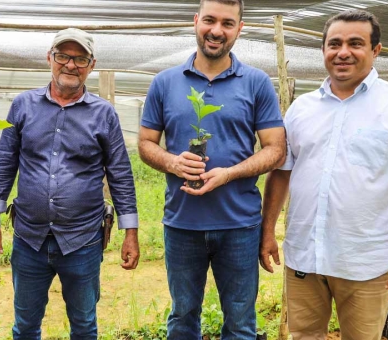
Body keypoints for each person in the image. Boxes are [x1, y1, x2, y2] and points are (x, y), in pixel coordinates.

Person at [260, 9, 388, 340]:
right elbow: (281, 174)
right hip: (306, 258)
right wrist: (267, 231)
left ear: (375, 50)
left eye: (355, 43)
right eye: (334, 43)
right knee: (304, 336)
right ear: (323, 50)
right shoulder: (302, 109)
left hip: (367, 262)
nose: (343, 52)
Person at [138, 0, 286, 338]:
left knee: (240, 322)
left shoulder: (257, 82)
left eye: (227, 23)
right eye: (209, 20)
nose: (216, 30)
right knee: (182, 316)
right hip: (182, 224)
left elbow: (276, 149)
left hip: (239, 226)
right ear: (195, 21)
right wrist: (172, 162)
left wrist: (230, 173)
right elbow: (145, 143)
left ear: (239, 29)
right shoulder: (165, 82)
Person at [0, 27, 139, 339]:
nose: (70, 65)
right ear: (50, 59)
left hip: (83, 240)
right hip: (30, 239)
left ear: (91, 65)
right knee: (25, 326)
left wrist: (130, 233)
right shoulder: (23, 105)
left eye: (80, 59)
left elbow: (120, 173)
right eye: (63, 56)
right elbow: (4, 164)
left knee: (83, 326)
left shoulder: (103, 114)